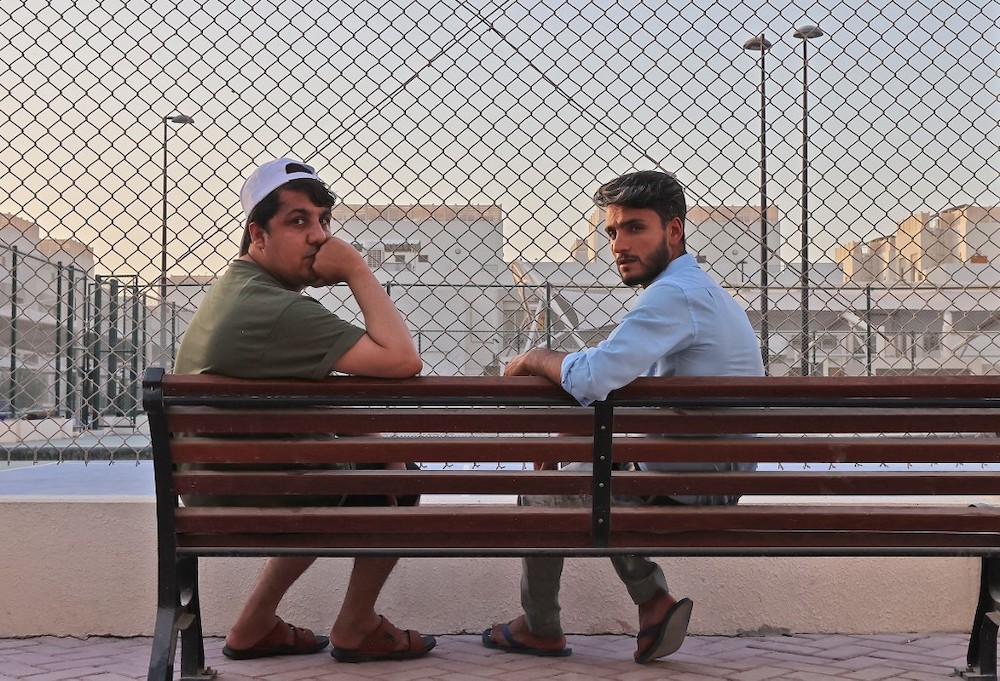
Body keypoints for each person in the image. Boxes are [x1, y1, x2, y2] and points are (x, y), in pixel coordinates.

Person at [482, 170, 764, 663]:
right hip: (702, 466)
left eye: (635, 228)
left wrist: (534, 358)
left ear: (673, 230)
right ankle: (652, 604)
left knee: (545, 494)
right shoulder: (697, 291)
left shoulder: (675, 295)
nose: (619, 245)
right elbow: (623, 392)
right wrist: (573, 443)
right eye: (612, 231)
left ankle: (542, 627)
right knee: (588, 478)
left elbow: (596, 375)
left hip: (697, 477)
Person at [174, 157, 435, 664]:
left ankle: (254, 625)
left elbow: (309, 413)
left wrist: (374, 447)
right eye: (298, 221)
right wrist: (357, 268)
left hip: (215, 484)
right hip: (248, 489)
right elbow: (403, 359)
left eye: (323, 220)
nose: (319, 236)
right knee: (395, 483)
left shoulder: (237, 291)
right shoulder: (278, 309)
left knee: (365, 468)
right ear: (258, 235)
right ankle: (357, 626)